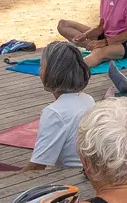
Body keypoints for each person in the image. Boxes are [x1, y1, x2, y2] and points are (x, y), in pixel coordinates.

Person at [27, 42, 95, 170]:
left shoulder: (54, 112)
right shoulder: (88, 100)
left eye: (42, 66)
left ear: (53, 72)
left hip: (74, 179)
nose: (39, 71)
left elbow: (37, 166)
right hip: (91, 173)